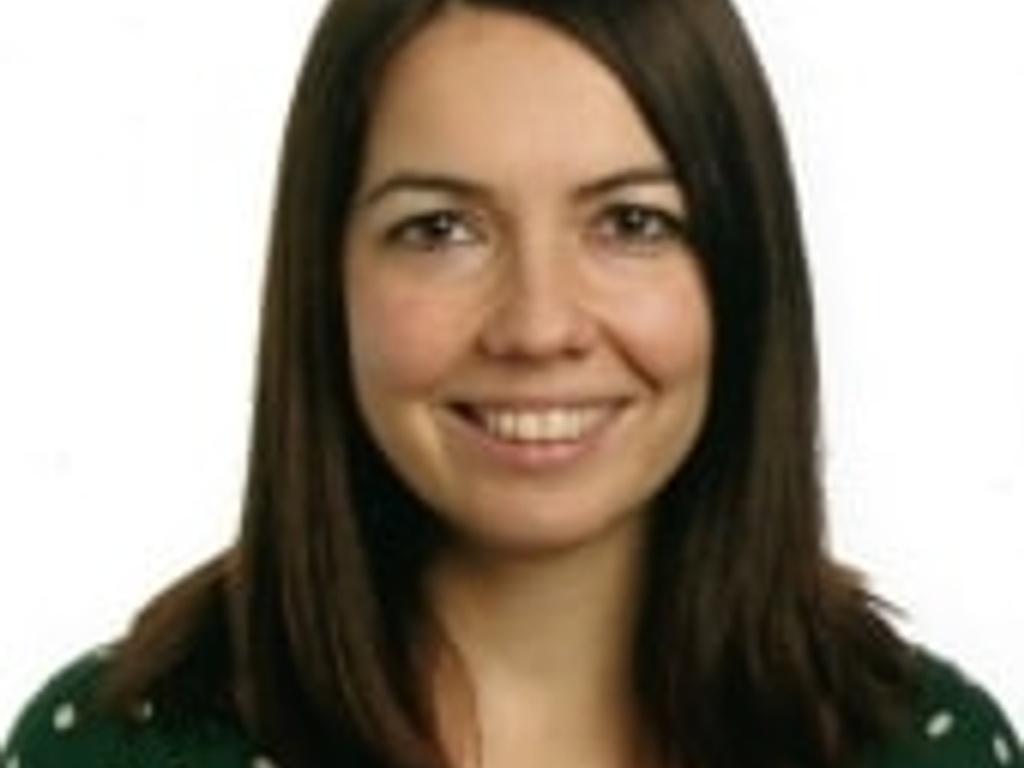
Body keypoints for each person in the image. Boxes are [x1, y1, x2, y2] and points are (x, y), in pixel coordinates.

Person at [3, 0, 1021, 767]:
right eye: (440, 229)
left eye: (631, 223)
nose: (538, 326)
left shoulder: (921, 750)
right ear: (326, 282)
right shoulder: (109, 750)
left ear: (743, 276)